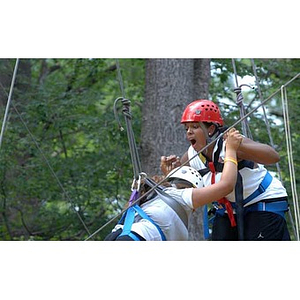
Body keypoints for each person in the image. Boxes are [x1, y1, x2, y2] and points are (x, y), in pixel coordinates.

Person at [161, 99, 291, 241]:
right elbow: (182, 190)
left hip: (262, 201)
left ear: (210, 129)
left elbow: (273, 156)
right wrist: (171, 173)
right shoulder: (192, 155)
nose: (189, 132)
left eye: (195, 127)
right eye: (187, 128)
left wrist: (238, 148)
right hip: (229, 210)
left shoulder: (229, 143)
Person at [104, 128, 242, 241]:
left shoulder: (151, 198)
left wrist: (168, 175)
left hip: (118, 235)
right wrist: (231, 150)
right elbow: (226, 186)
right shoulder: (182, 197)